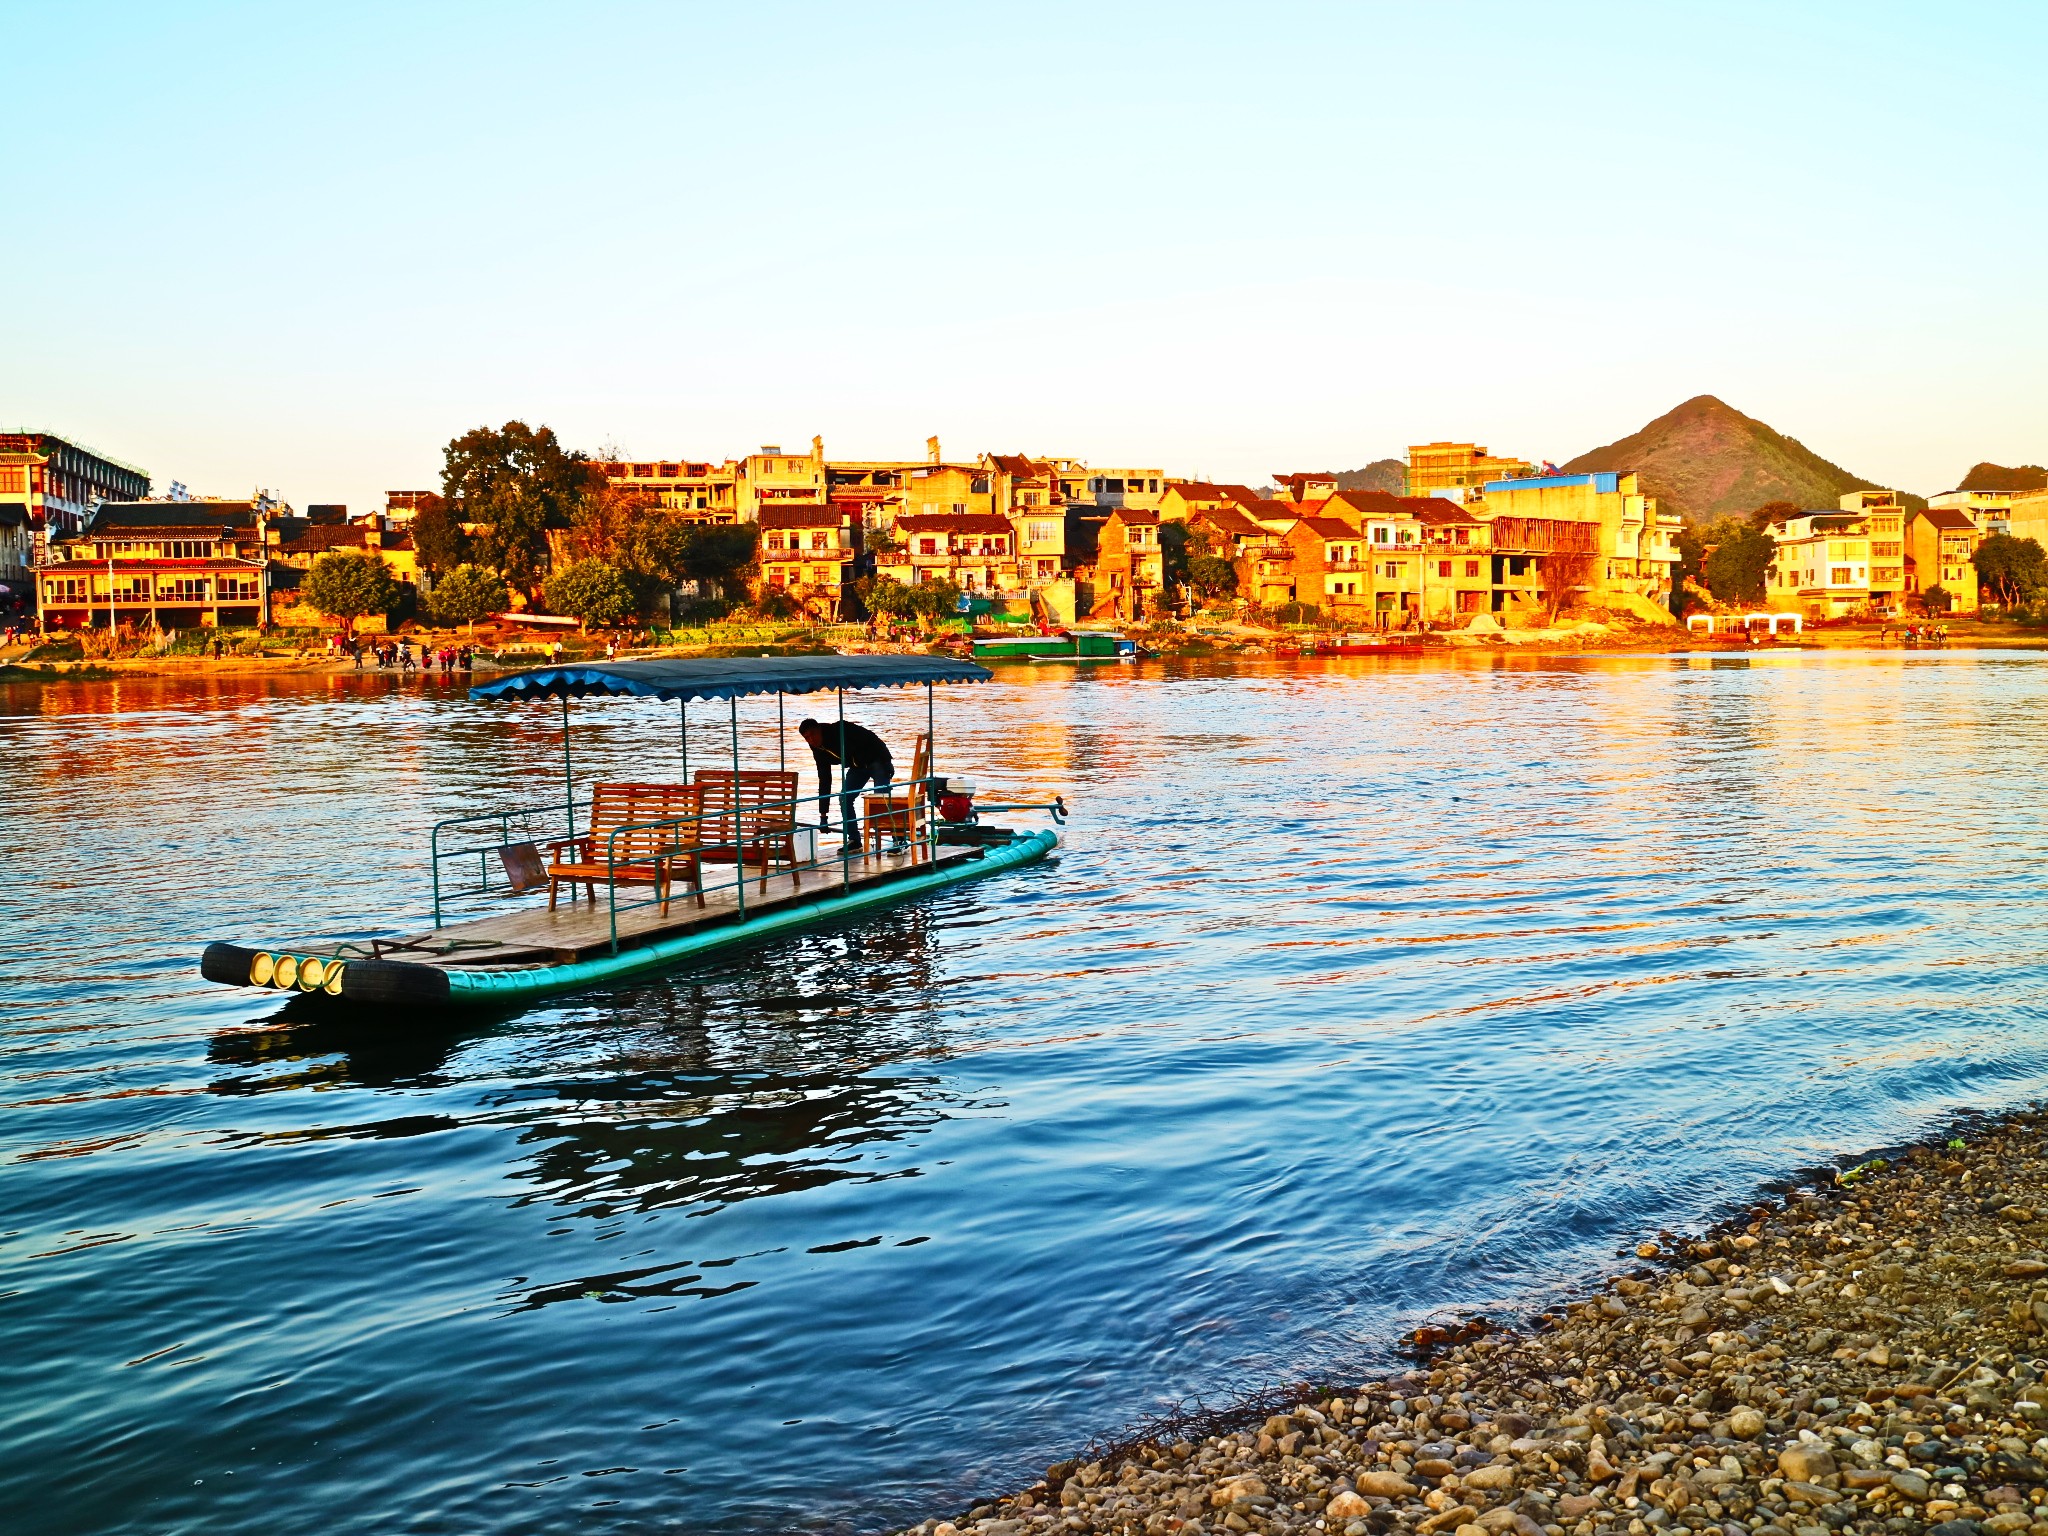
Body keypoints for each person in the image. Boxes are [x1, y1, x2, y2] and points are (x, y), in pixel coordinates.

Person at [797, 716, 894, 841]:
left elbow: (871, 737)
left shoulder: (840, 729)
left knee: (881, 799)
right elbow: (824, 779)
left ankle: (898, 839)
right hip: (857, 767)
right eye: (807, 738)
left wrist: (886, 762)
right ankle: (854, 839)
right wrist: (823, 815)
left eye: (813, 734)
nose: (812, 740)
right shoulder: (818, 751)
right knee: (844, 798)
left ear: (819, 729)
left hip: (876, 760)